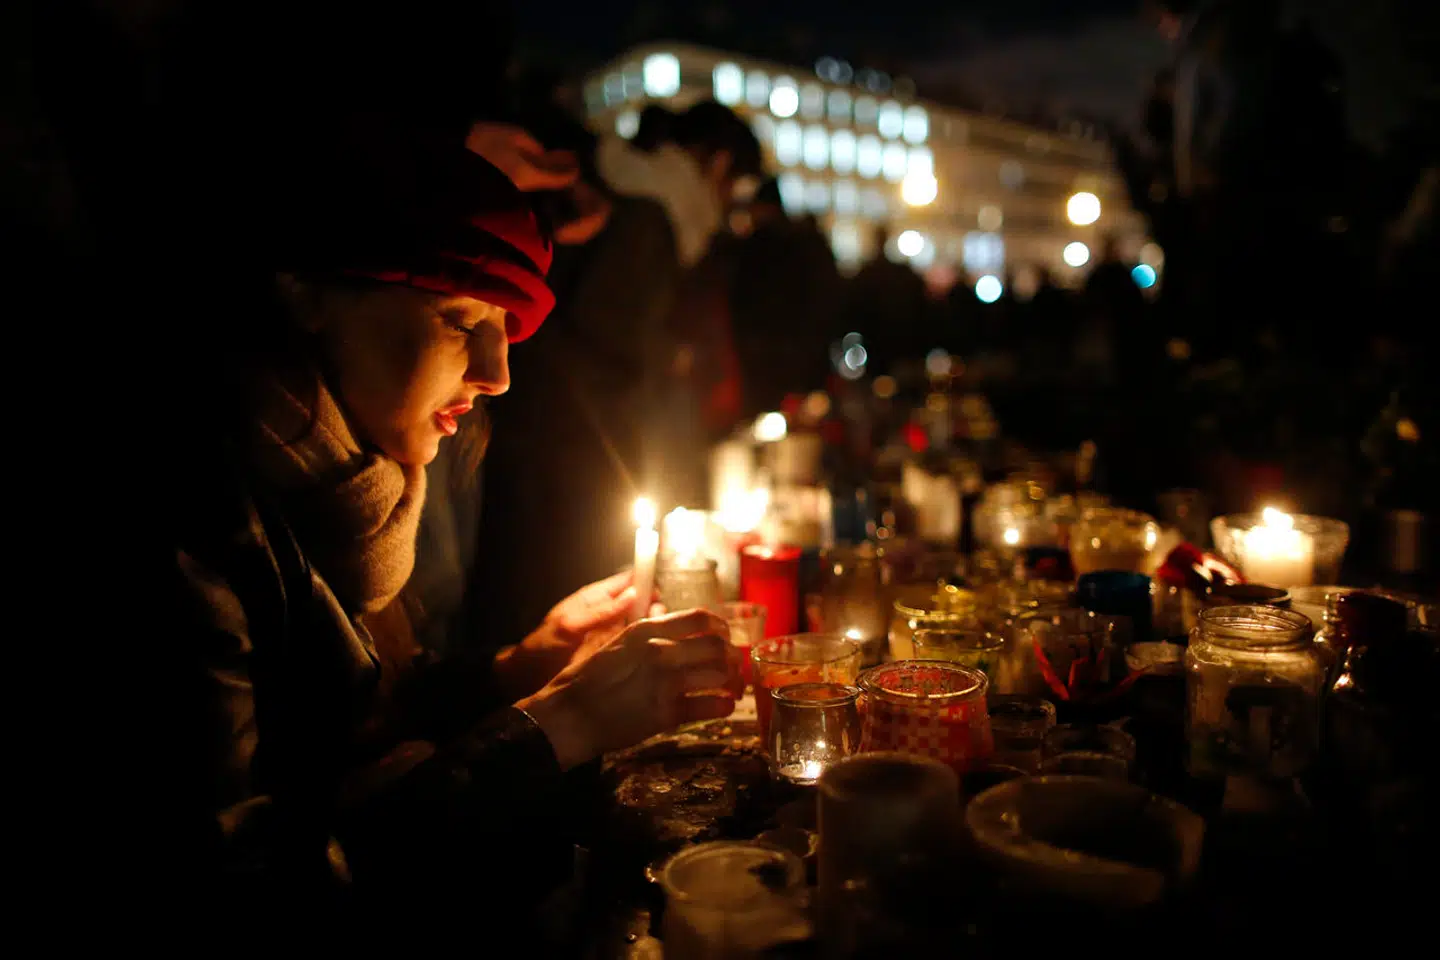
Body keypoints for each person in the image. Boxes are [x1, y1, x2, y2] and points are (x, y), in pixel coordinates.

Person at [119, 121, 738, 927]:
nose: (498, 376)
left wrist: (520, 666)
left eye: (505, 333)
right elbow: (250, 881)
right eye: (459, 320)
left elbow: (364, 717)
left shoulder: (363, 479)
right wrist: (561, 721)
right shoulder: (194, 516)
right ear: (307, 292)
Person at [469, 100, 763, 651]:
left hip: (546, 435)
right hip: (573, 449)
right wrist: (663, 363)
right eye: (736, 187)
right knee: (547, 601)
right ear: (718, 164)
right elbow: (610, 345)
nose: (729, 206)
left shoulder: (623, 192)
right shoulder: (648, 216)